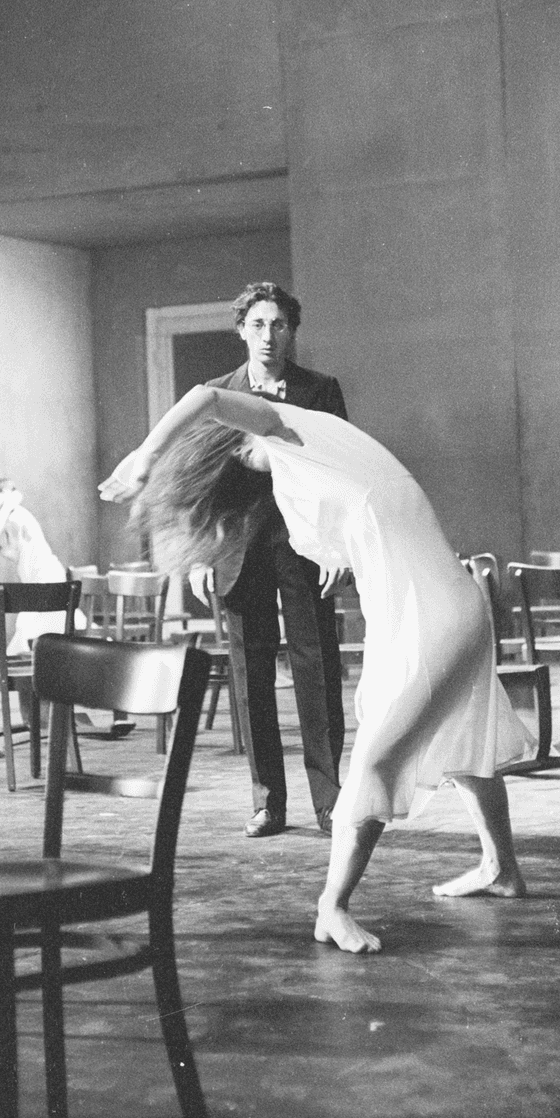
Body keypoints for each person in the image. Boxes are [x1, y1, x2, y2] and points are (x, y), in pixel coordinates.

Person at [99, 385, 530, 953]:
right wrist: (342, 557)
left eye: (241, 456)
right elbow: (370, 515)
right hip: (435, 607)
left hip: (435, 618)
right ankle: (501, 867)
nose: (251, 466)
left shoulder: (288, 428)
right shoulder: (318, 461)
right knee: (462, 739)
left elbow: (206, 395)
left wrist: (146, 456)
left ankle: (333, 906)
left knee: (377, 761)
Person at [199, 281, 348, 839]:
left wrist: (337, 545)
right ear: (241, 330)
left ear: (292, 331)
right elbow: (206, 484)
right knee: (251, 676)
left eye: (279, 325)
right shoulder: (218, 393)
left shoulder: (320, 390)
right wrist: (202, 552)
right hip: (240, 550)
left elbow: (340, 474)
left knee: (318, 669)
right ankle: (266, 802)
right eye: (257, 325)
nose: (268, 335)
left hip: (305, 547)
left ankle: (330, 803)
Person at [0, 478, 79, 652]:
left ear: (6, 494)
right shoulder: (11, 517)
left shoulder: (17, 515)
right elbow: (14, 554)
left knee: (32, 629)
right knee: (30, 630)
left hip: (48, 577)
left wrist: (8, 505)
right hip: (36, 580)